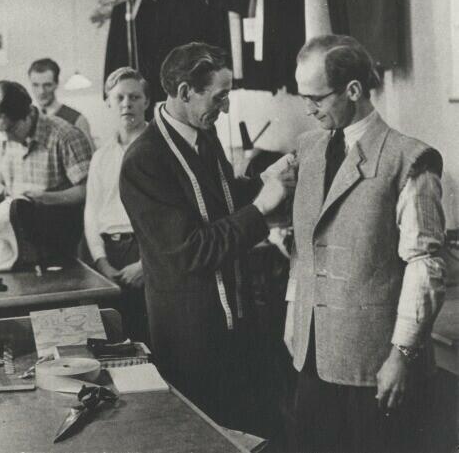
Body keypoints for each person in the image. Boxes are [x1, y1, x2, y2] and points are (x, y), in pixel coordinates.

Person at [119, 42, 295, 429]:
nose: (226, 107)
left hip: (235, 322)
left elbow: (220, 201)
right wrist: (262, 207)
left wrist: (266, 182)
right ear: (185, 92)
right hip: (192, 337)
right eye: (219, 97)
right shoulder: (144, 161)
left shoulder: (203, 134)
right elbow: (192, 250)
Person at [285, 34, 446, 453]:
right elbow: (305, 246)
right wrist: (292, 318)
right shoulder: (308, 149)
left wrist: (401, 356)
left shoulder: (409, 160)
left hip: (376, 365)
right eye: (303, 97)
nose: (308, 108)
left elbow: (425, 267)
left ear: (353, 90)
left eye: (316, 97)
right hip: (313, 358)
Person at [0, 80, 93, 259]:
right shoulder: (2, 135)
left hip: (55, 227)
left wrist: (46, 198)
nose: (6, 138)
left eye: (11, 129)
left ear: (28, 114)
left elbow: (88, 190)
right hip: (15, 224)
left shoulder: (65, 136)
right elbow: (2, 181)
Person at [84, 67, 150, 343]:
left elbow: (172, 217)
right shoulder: (101, 156)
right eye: (119, 97)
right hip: (111, 255)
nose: (127, 104)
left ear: (146, 102)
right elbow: (92, 211)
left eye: (134, 97)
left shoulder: (158, 149)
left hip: (148, 252)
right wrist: (101, 261)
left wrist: (147, 264)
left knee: (150, 337)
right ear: (108, 103)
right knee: (115, 339)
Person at [28, 58, 93, 145]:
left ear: (56, 84)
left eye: (47, 85)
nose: (41, 91)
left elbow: (90, 153)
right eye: (35, 85)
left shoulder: (77, 120)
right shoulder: (27, 119)